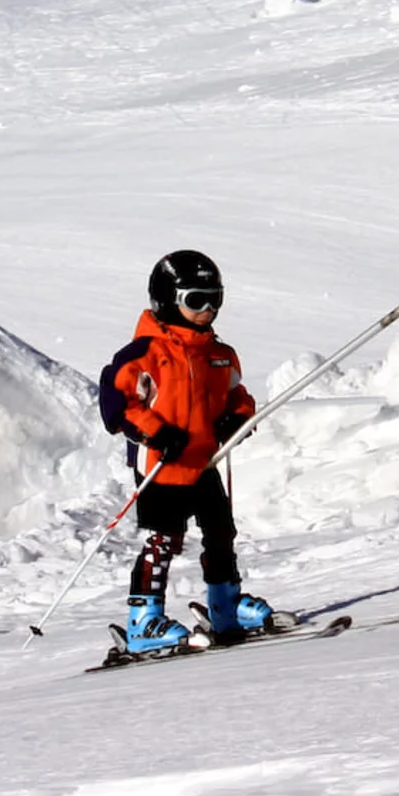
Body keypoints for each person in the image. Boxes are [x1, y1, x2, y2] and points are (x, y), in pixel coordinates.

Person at [100, 249, 277, 653]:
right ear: (167, 300)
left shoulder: (219, 354)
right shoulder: (145, 354)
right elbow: (116, 405)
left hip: (204, 463)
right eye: (197, 300)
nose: (208, 309)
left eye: (216, 298)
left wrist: (237, 419)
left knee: (221, 533)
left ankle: (225, 606)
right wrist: (157, 432)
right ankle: (143, 621)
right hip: (161, 467)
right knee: (163, 540)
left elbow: (237, 397)